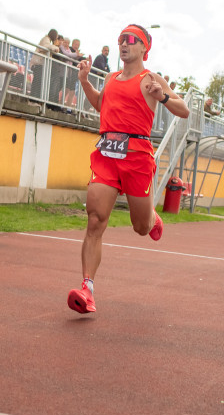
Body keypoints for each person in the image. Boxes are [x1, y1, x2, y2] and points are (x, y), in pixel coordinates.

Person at [67, 24, 190, 314]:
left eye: (131, 40)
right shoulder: (110, 78)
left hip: (137, 157)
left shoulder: (150, 78)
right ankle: (87, 289)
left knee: (140, 227)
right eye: (121, 39)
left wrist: (161, 96)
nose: (124, 44)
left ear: (145, 48)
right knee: (95, 220)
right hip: (107, 153)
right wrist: (85, 82)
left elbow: (183, 109)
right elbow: (102, 104)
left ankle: (152, 217)